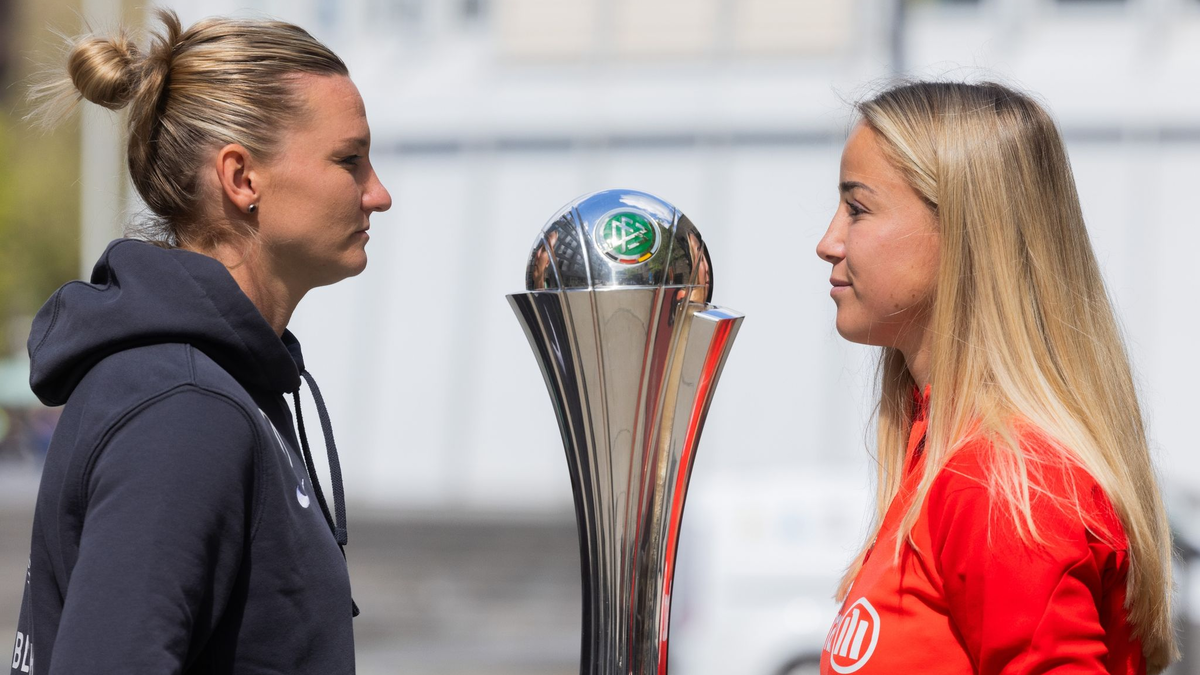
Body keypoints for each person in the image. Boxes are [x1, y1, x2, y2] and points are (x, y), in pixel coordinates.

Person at [12, 9, 391, 673]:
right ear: (241, 178)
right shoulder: (184, 409)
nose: (377, 193)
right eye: (350, 161)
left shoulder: (217, 388)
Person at [814, 81, 1175, 675]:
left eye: (858, 208)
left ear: (962, 228)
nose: (828, 243)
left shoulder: (1001, 480)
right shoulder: (945, 452)